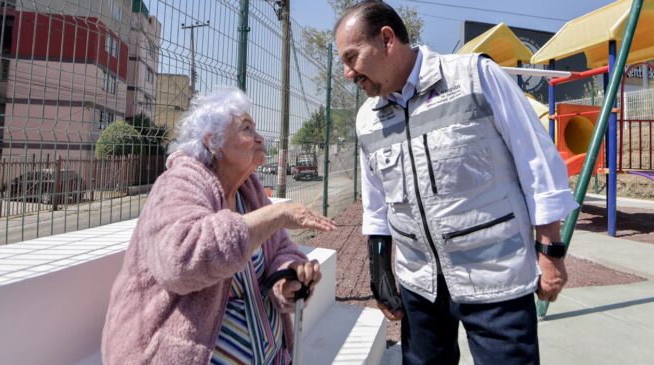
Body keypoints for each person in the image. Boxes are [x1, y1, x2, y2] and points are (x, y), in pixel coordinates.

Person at [335, 1, 578, 364]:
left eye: (352, 57)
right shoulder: (367, 119)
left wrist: (550, 253)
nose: (347, 72)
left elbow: (537, 164)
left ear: (387, 39)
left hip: (497, 282)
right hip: (421, 289)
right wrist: (380, 271)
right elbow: (376, 204)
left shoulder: (475, 77)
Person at [101, 87, 336, 365]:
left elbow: (280, 248)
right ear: (214, 141)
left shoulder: (249, 190)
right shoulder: (180, 183)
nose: (260, 137)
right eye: (247, 128)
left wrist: (287, 278)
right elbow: (180, 259)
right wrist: (277, 215)